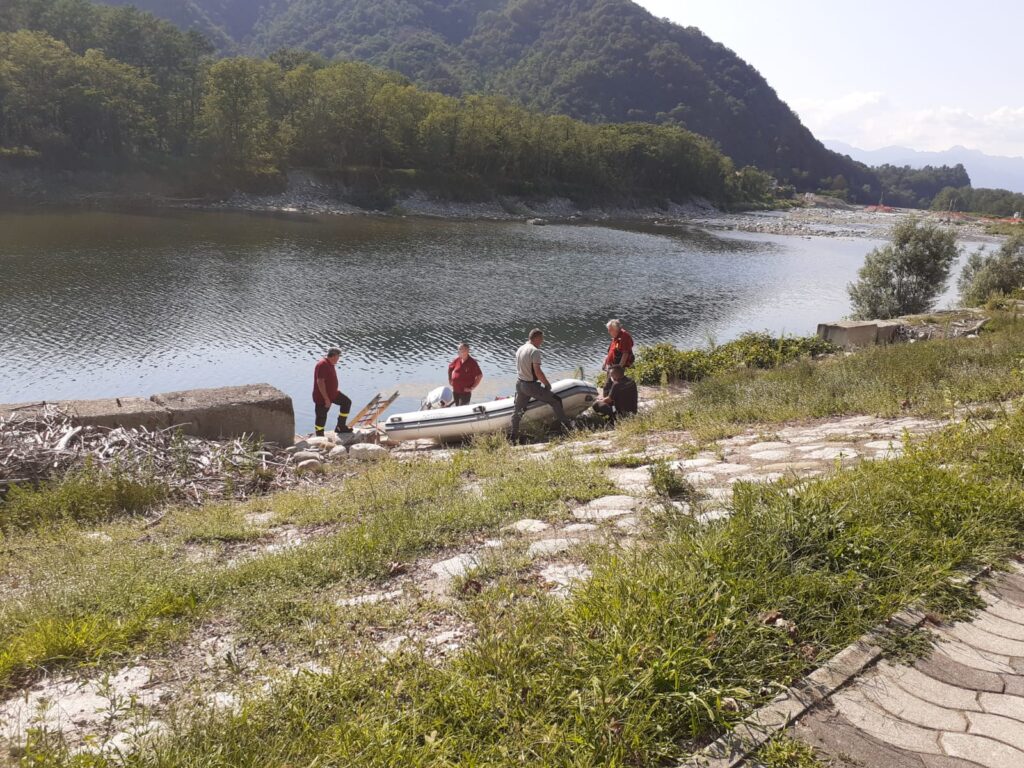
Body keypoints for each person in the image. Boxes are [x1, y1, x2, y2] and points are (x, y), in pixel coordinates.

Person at [509, 328, 569, 442]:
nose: (542, 341)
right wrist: (547, 384)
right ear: (536, 338)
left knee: (517, 411)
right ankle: (566, 428)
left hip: (520, 384)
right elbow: (537, 371)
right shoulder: (534, 351)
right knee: (555, 400)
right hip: (531, 386)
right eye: (541, 339)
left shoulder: (520, 349)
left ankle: (513, 436)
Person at [312, 347, 352, 436]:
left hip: (333, 394)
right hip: (322, 397)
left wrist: (334, 389)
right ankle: (319, 435)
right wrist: (326, 399)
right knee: (321, 416)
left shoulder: (330, 364)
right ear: (333, 356)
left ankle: (340, 426)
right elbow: (320, 382)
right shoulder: (322, 364)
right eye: (338, 357)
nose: (338, 359)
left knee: (346, 402)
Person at [602, 319, 635, 396]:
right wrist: (605, 361)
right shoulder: (616, 336)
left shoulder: (624, 336)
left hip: (616, 367)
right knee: (609, 385)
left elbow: (625, 353)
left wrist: (619, 368)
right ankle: (610, 400)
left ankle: (610, 402)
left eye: (610, 330)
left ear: (615, 329)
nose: (608, 332)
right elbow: (611, 350)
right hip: (611, 365)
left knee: (610, 386)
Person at [448, 342, 483, 406]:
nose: (458, 351)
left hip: (465, 392)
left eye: (460, 349)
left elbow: (480, 375)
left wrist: (472, 388)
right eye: (458, 349)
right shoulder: (457, 360)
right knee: (457, 408)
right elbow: (450, 368)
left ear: (466, 350)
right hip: (455, 391)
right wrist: (450, 380)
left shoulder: (472, 363)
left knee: (462, 410)